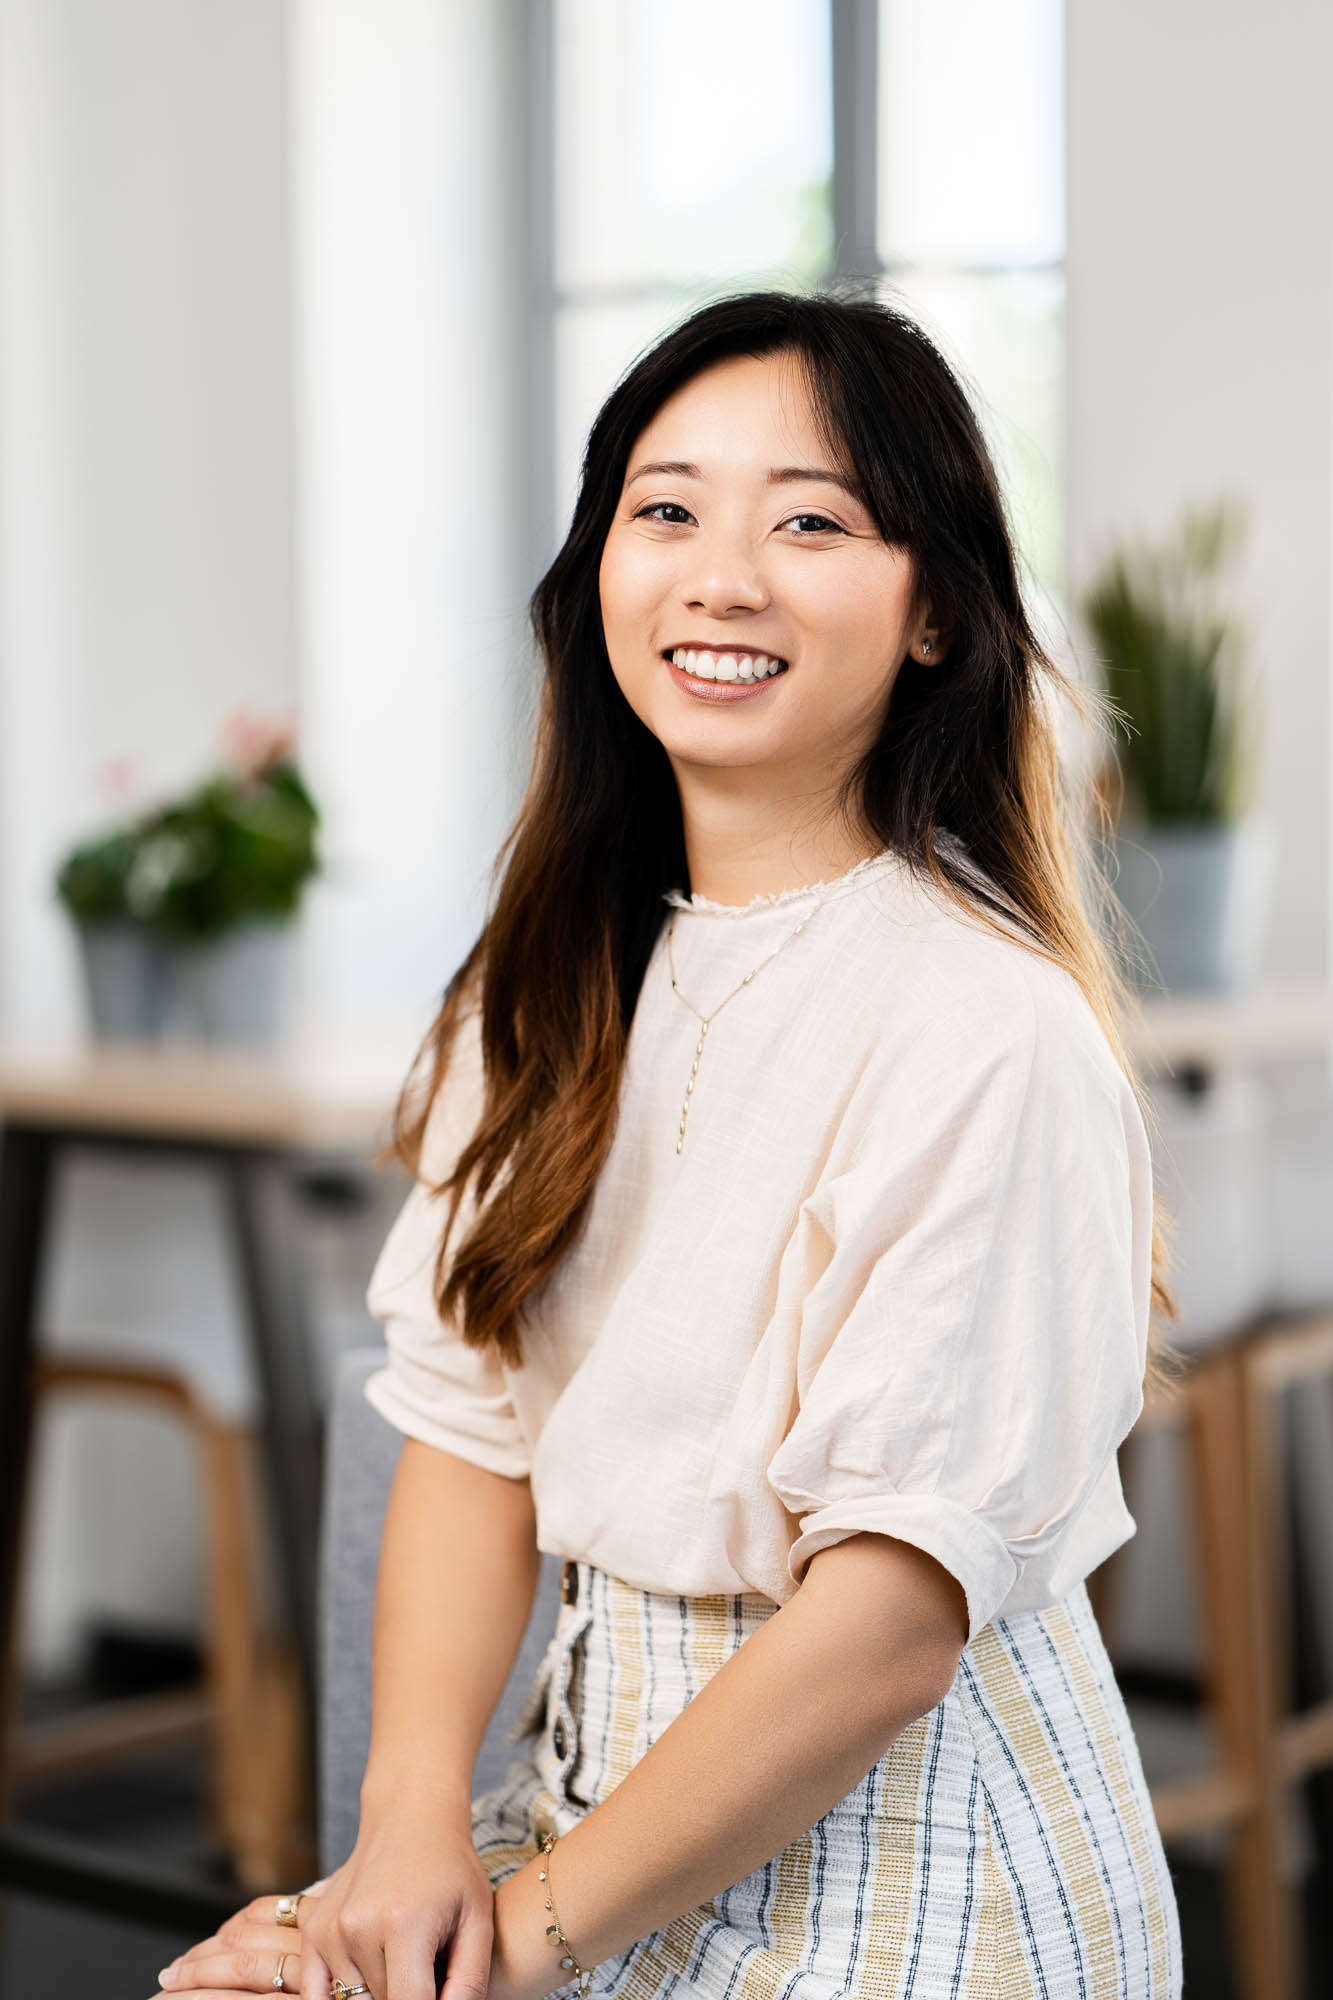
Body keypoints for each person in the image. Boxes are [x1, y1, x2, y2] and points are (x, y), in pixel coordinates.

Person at [153, 289, 1184, 2000]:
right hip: (584, 1805)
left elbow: (884, 1630)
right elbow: (469, 1428)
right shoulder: (547, 979)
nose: (722, 574)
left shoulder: (981, 1024)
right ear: (598, 582)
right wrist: (403, 1844)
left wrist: (510, 1946)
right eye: (665, 509)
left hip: (908, 1859)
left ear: (936, 612)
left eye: (811, 520)